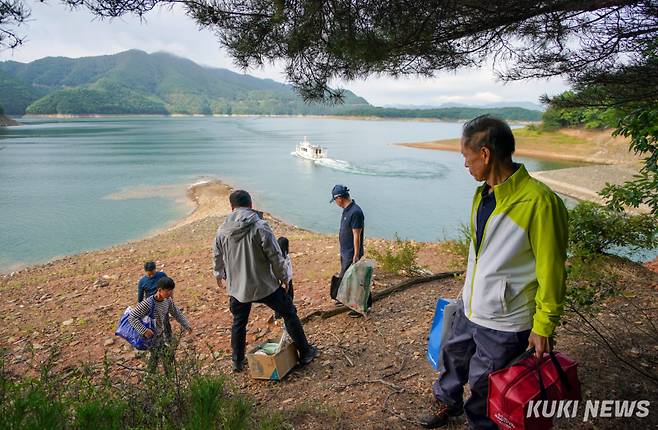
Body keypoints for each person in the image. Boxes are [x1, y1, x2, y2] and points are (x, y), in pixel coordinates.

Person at [420, 116, 568, 429]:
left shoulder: (538, 202)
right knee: (452, 358)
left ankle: (480, 424)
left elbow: (551, 269)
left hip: (505, 319)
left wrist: (543, 324)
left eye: (466, 156)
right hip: (471, 306)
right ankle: (447, 402)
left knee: (485, 386)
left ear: (485, 154)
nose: (465, 164)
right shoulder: (484, 194)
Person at [213, 190, 317, 372]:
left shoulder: (222, 230)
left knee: (239, 322)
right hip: (265, 285)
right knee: (289, 313)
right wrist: (284, 277)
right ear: (251, 205)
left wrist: (218, 275)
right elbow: (275, 256)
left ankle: (237, 361)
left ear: (231, 207)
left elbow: (217, 255)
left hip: (238, 288)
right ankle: (306, 353)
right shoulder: (260, 226)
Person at [129, 276, 192, 373]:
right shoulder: (148, 303)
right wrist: (144, 331)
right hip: (150, 337)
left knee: (156, 357)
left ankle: (153, 378)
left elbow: (176, 313)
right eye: (168, 291)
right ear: (159, 290)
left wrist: (186, 325)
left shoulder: (168, 301)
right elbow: (132, 317)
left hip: (159, 335)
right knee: (166, 355)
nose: (171, 293)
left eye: (172, 291)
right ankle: (167, 378)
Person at [330, 184, 371, 314]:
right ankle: (344, 299)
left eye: (335, 200)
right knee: (347, 277)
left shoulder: (356, 212)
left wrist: (356, 254)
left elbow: (356, 234)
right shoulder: (347, 210)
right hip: (345, 251)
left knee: (356, 280)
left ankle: (363, 306)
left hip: (352, 253)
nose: (336, 203)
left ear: (340, 198)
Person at [137, 261, 172, 339]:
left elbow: (169, 288)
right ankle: (158, 342)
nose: (152, 275)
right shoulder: (142, 282)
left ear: (155, 269)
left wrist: (170, 300)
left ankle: (169, 340)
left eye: (153, 273)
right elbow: (140, 298)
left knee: (166, 322)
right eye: (149, 274)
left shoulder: (162, 275)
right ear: (145, 271)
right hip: (151, 306)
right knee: (154, 325)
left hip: (163, 302)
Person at [274, 236, 294, 320]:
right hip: (285, 281)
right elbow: (285, 270)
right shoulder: (282, 257)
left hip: (285, 280)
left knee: (282, 299)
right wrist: (286, 281)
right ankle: (283, 315)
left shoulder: (281, 255)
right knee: (287, 297)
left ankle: (279, 315)